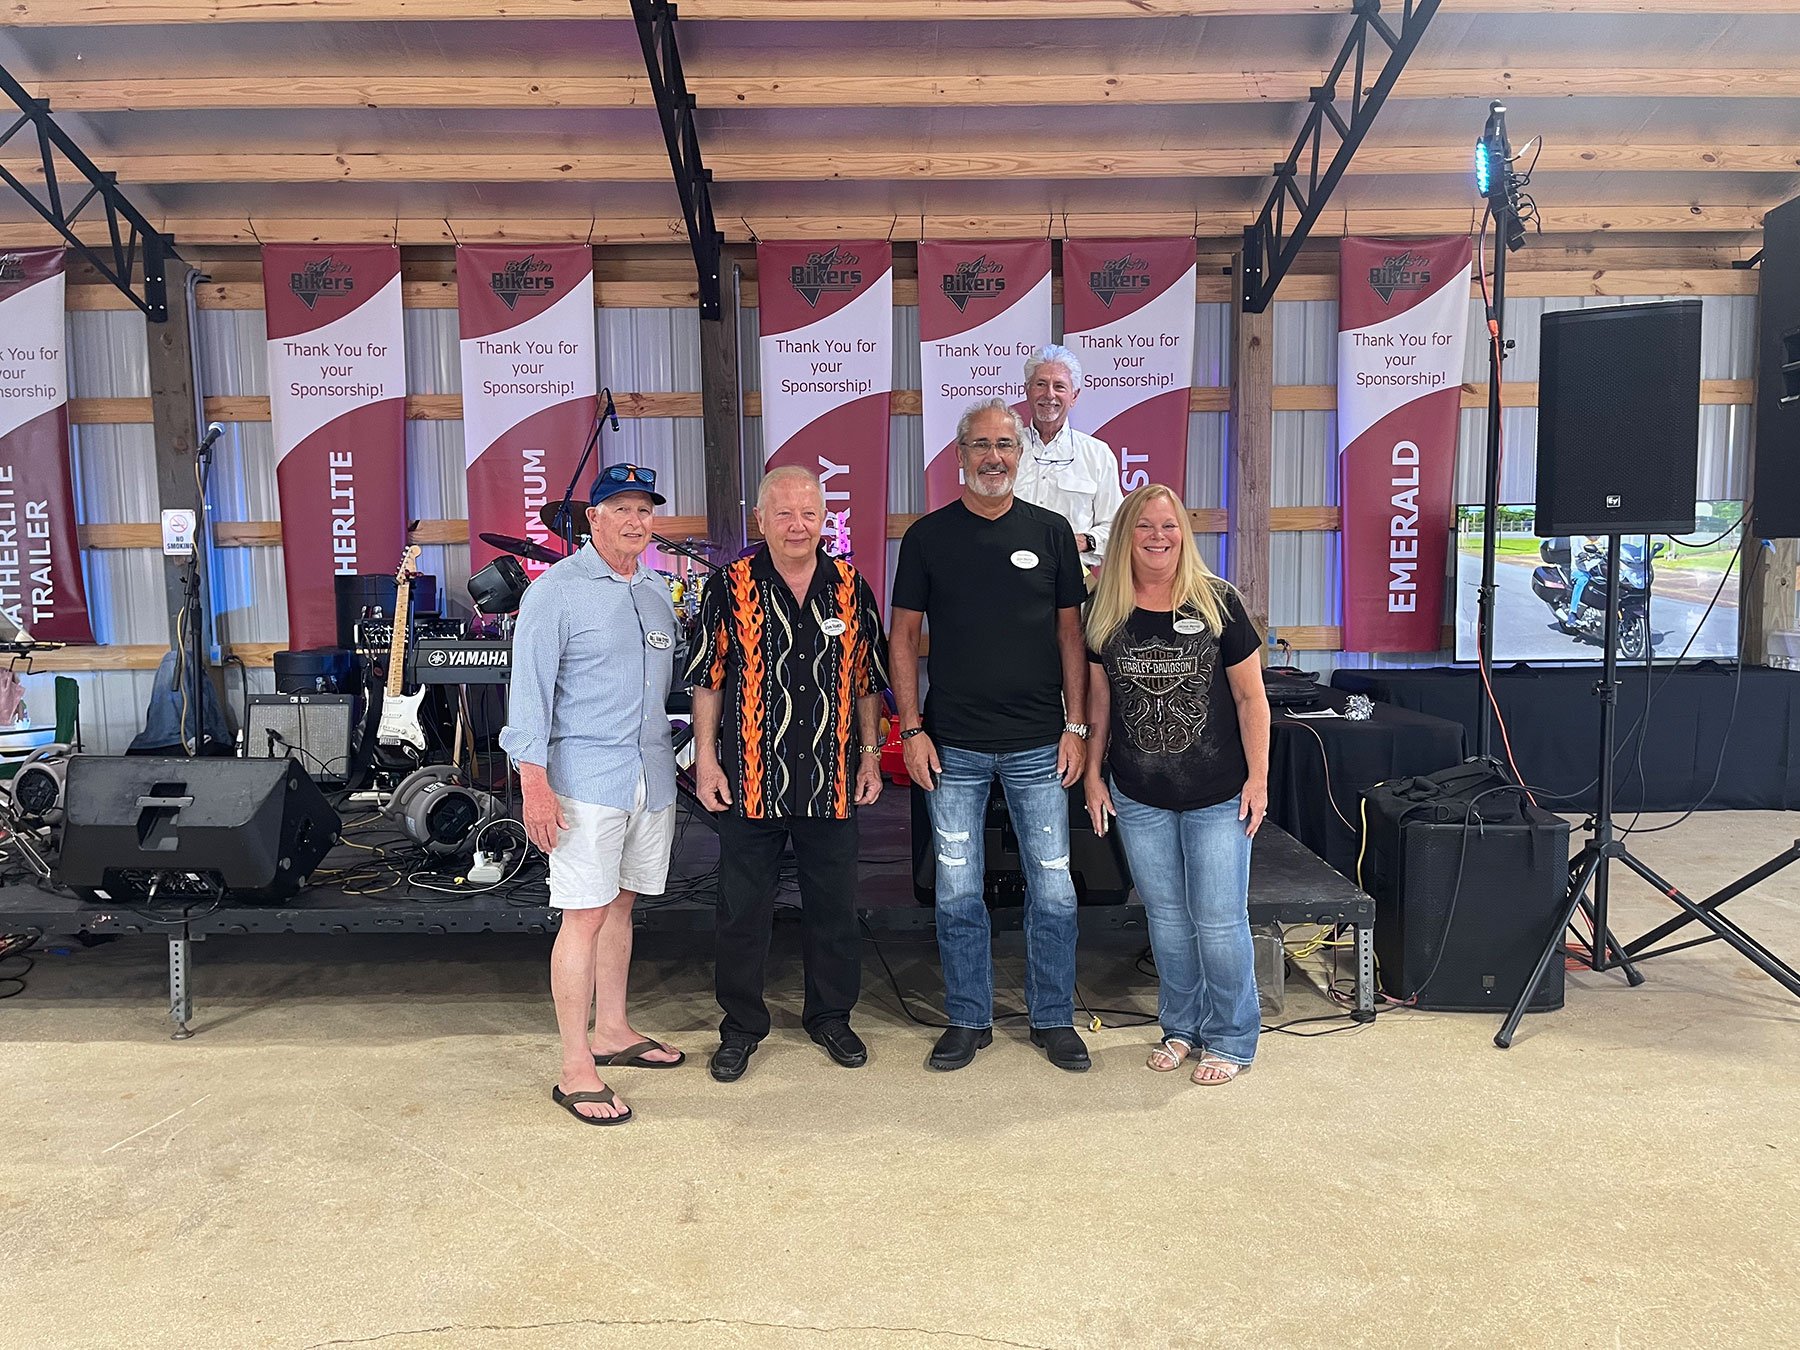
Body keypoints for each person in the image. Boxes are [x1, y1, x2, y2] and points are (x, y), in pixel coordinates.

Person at [891, 398, 1092, 1072]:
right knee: (956, 893)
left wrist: (1075, 725)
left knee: (1055, 891)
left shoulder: (1052, 532)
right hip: (953, 746)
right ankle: (968, 1018)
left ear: (1020, 454)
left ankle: (1053, 1017)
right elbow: (903, 637)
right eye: (980, 445)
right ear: (959, 456)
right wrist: (911, 728)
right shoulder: (927, 538)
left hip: (1040, 742)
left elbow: (1071, 636)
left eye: (1005, 445)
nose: (994, 457)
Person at [686, 466, 890, 1082]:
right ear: (761, 520)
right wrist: (706, 760)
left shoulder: (851, 586)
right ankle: (741, 1027)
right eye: (783, 513)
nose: (797, 526)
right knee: (741, 912)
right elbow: (708, 680)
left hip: (831, 780)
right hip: (751, 778)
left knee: (834, 909)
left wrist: (871, 754)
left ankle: (831, 1016)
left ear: (824, 518)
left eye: (808, 513)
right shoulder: (729, 586)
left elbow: (867, 682)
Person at [501, 462, 685, 1127]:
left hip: (649, 776)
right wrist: (534, 784)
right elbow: (528, 695)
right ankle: (575, 1065)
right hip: (584, 781)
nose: (636, 521)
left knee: (621, 904)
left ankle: (611, 1029)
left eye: (644, 510)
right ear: (593, 519)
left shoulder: (657, 591)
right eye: (621, 509)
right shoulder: (555, 592)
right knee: (582, 914)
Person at [1082, 483, 1269, 1086]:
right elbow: (1098, 702)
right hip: (1139, 795)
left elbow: (1252, 699)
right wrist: (1093, 775)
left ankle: (1232, 1036)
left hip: (1218, 794)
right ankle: (1181, 1026)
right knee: (1165, 919)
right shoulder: (1103, 609)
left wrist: (1259, 780)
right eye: (1144, 526)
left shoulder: (1218, 603)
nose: (1157, 537)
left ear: (1183, 535)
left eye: (1169, 526)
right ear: (1124, 536)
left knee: (1218, 920)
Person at [1013, 344, 1125, 570]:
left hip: (1074, 576)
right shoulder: (1006, 450)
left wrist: (1084, 541)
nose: (1049, 394)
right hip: (1011, 574)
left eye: (1059, 386)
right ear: (1027, 390)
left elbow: (1117, 525)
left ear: (1074, 395)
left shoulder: (1097, 454)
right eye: (1040, 384)